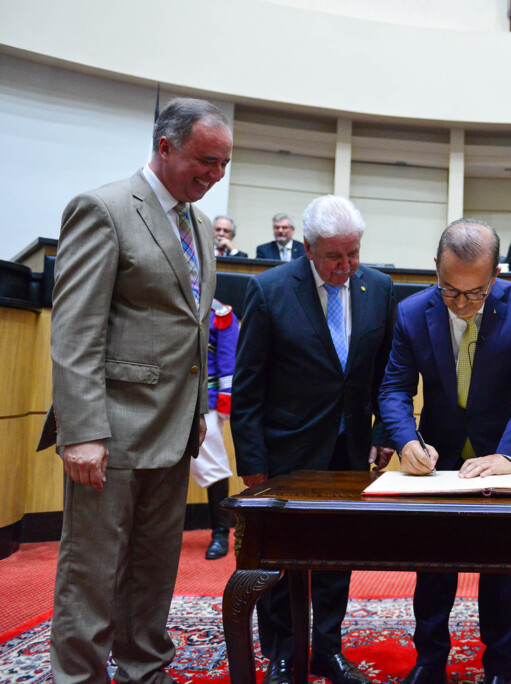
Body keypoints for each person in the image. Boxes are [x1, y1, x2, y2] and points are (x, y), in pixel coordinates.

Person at [37, 97, 231, 684]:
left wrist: (198, 414)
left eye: (224, 164)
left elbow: (193, 327)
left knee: (154, 567)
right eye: (205, 161)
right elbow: (74, 333)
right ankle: (79, 677)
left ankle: (145, 669)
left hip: (175, 430)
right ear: (165, 146)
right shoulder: (105, 208)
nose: (215, 175)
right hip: (111, 431)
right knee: (91, 572)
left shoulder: (198, 224)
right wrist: (83, 432)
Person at [379, 218, 511, 684]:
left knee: (502, 570)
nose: (461, 304)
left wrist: (510, 455)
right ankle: (430, 662)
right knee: (433, 568)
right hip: (440, 459)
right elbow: (395, 388)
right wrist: (405, 439)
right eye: (450, 290)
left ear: (495, 275)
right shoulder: (414, 311)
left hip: (504, 460)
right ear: (436, 268)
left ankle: (499, 667)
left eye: (475, 293)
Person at [232, 195, 396, 684]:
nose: (346, 266)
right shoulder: (268, 290)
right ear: (307, 247)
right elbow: (248, 385)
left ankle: (327, 647)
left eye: (354, 254)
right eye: (334, 256)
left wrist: (384, 432)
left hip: (348, 452)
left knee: (335, 556)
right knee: (280, 561)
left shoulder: (379, 289)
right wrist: (253, 464)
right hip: (287, 450)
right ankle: (284, 653)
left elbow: (389, 372)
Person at [192, 298, 240, 560]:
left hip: (206, 401)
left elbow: (228, 360)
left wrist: (226, 397)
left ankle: (221, 531)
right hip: (165, 400)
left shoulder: (221, 314)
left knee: (212, 464)